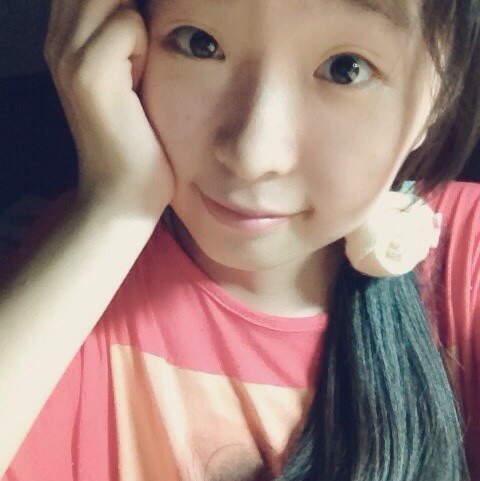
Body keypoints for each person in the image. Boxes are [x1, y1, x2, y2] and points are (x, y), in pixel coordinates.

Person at [0, 0, 479, 479]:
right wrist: (117, 207)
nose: (252, 156)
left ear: (438, 100)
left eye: (345, 69)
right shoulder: (76, 274)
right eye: (199, 44)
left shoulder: (466, 248)